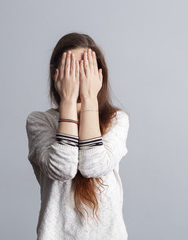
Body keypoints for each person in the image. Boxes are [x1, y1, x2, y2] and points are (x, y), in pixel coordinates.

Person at [26, 32, 130, 240]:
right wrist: (68, 101)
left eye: (86, 69)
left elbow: (93, 166)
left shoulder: (116, 121)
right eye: (71, 70)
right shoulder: (39, 121)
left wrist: (90, 98)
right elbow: (62, 169)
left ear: (99, 75)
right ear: (56, 74)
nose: (79, 78)